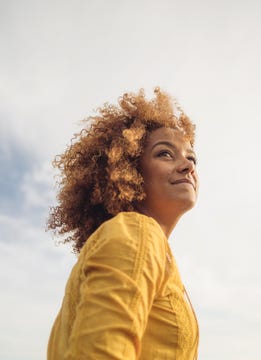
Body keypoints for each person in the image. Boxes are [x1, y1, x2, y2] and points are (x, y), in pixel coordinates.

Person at [47, 88, 199, 359]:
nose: (188, 166)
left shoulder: (143, 244)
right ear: (128, 170)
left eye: (191, 158)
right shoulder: (137, 232)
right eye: (165, 154)